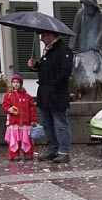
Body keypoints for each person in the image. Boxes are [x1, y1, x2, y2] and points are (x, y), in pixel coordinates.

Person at [28, 30, 73, 164]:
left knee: (60, 124)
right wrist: (36, 66)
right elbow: (46, 69)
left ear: (51, 36)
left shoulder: (64, 50)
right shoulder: (48, 51)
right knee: (47, 124)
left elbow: (65, 72)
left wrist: (53, 85)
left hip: (56, 94)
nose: (41, 39)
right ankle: (52, 149)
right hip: (44, 93)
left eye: (43, 36)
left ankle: (64, 151)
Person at [2, 73, 36, 161]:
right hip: (14, 122)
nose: (15, 84)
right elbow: (4, 106)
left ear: (21, 83)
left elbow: (32, 109)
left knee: (26, 139)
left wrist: (33, 120)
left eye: (17, 82)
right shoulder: (8, 95)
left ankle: (28, 154)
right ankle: (14, 154)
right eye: (13, 82)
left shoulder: (27, 96)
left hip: (25, 122)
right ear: (11, 83)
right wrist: (9, 109)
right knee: (15, 140)